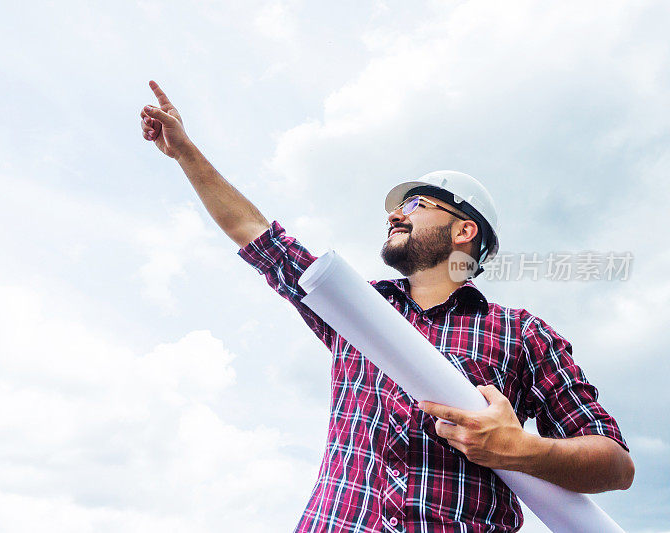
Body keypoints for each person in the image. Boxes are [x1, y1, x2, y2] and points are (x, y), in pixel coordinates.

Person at [140, 80, 634, 532]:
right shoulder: (353, 308)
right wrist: (185, 153)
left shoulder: (521, 333)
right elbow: (255, 233)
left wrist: (523, 449)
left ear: (464, 230)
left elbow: (615, 464)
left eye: (417, 204)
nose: (395, 213)